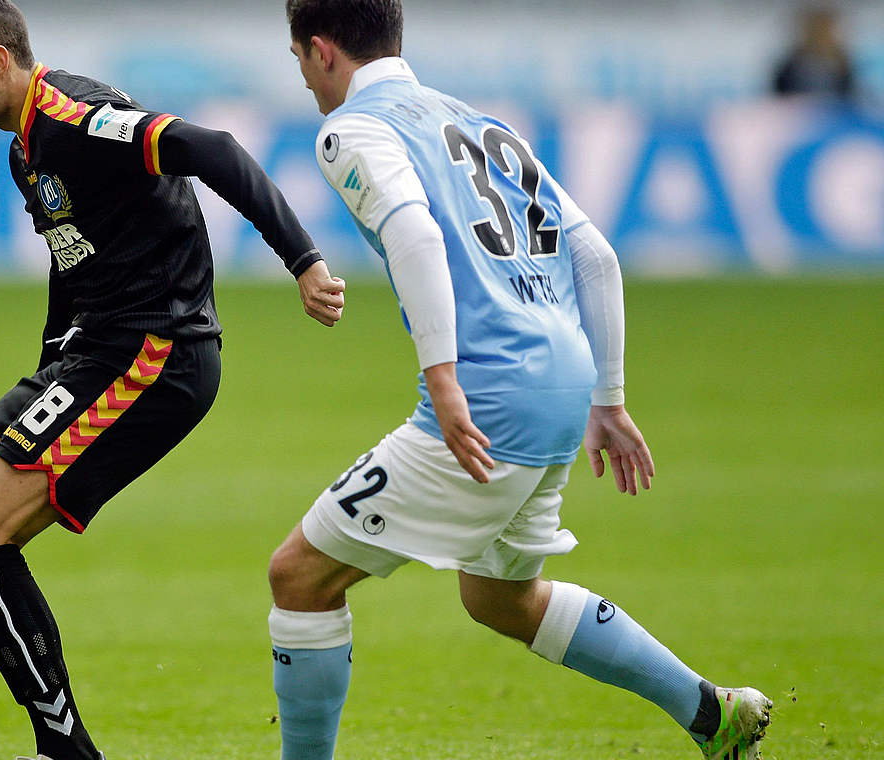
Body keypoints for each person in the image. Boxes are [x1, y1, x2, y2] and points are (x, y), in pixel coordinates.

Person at [0, 2, 347, 759]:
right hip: (95, 353)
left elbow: (217, 149)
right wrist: (43, 380)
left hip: (156, 354)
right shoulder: (27, 151)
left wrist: (303, 261)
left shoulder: (73, 118)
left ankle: (66, 751)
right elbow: (75, 269)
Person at [266, 2, 773, 759]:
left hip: (488, 396)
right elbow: (594, 253)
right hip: (564, 387)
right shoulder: (479, 123)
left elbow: (413, 232)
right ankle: (711, 712)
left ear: (323, 49)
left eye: (300, 58)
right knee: (500, 597)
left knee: (299, 576)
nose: (304, 78)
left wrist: (442, 379)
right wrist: (608, 396)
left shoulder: (350, 130)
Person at [772, 5, 857, 101]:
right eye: (817, 28)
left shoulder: (842, 63)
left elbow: (849, 95)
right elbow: (780, 96)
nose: (820, 33)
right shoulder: (791, 64)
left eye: (824, 28)